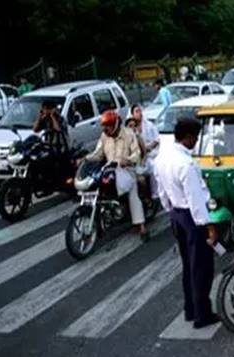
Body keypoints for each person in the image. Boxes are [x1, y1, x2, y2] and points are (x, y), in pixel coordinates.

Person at [154, 117, 219, 329]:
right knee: (201, 267)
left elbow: (161, 193)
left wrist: (171, 210)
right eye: (196, 137)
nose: (196, 141)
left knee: (188, 266)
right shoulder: (186, 164)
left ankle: (190, 309)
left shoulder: (162, 158)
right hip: (192, 219)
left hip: (176, 215)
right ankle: (202, 314)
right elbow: (196, 200)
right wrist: (209, 226)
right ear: (189, 137)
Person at [86, 110, 148, 241]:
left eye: (108, 125)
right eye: (104, 126)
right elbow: (98, 153)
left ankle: (142, 226)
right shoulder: (104, 136)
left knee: (133, 194)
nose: (105, 129)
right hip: (109, 170)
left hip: (127, 169)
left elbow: (136, 153)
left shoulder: (128, 134)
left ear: (115, 124)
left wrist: (128, 160)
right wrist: (85, 158)